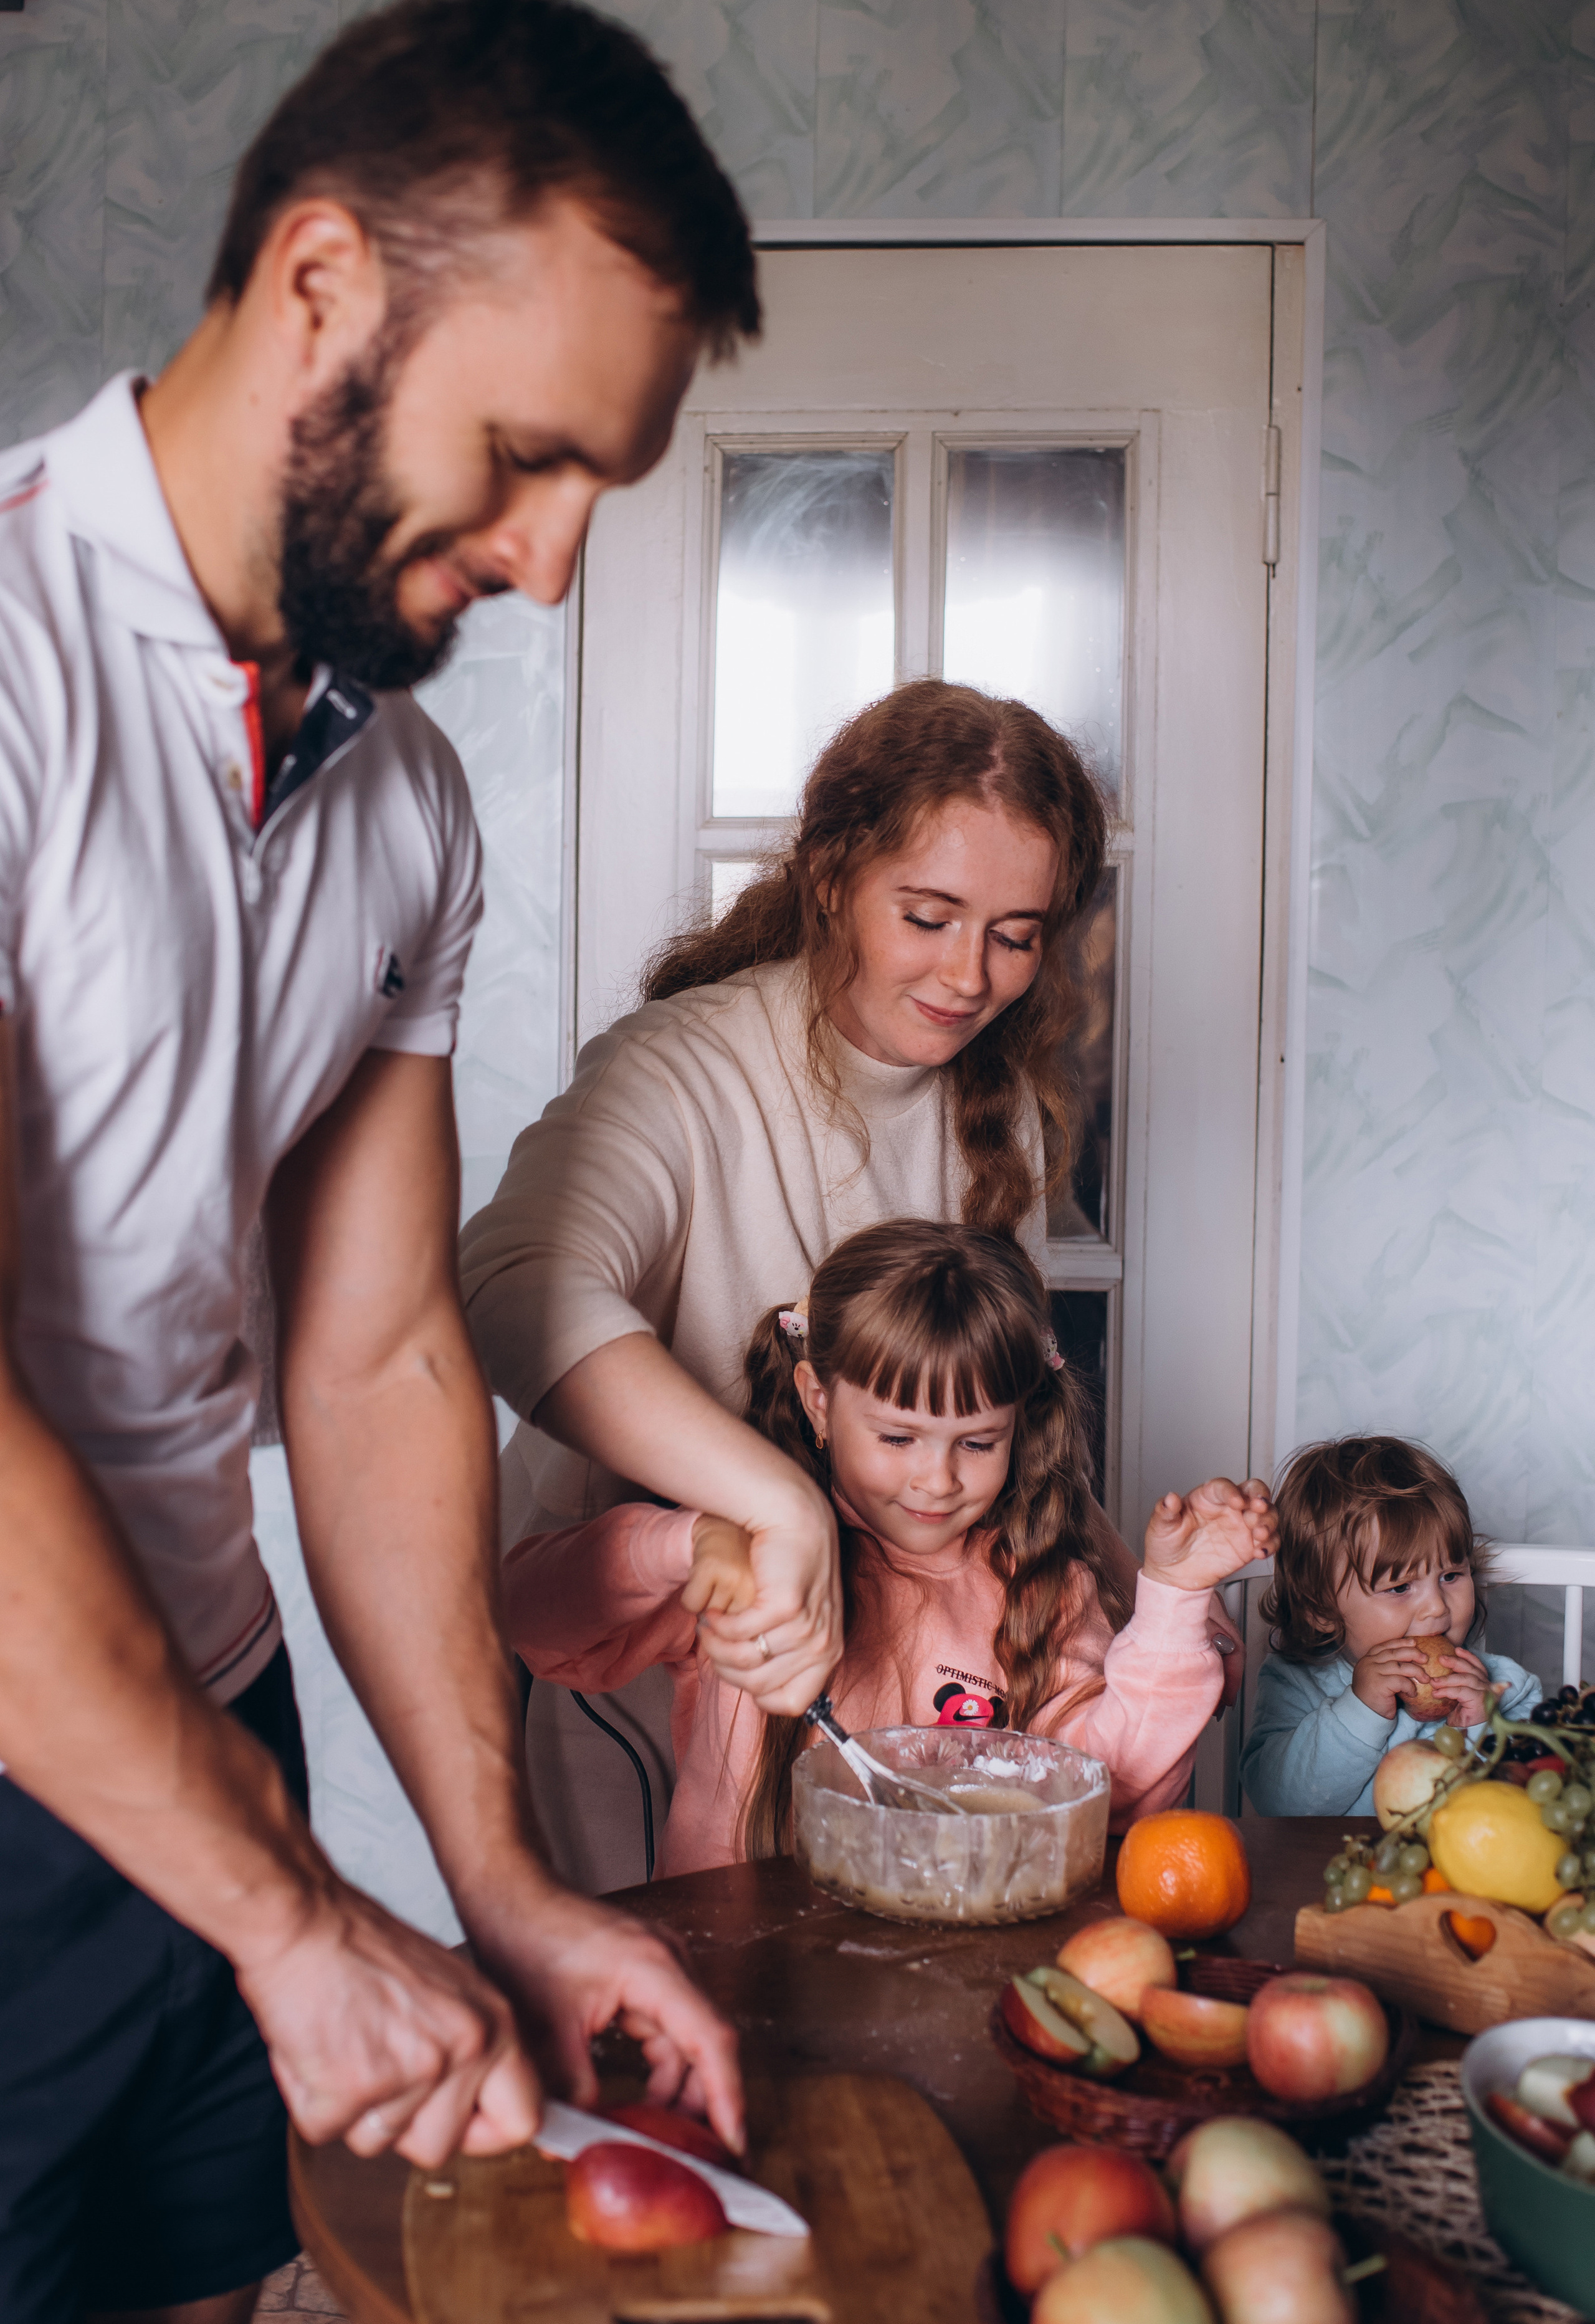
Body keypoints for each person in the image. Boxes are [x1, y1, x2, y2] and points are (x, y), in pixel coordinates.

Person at [0, 4, 757, 2316]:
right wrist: (295, 1925)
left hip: (202, 1734)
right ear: (321, 282)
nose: (545, 562)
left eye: (592, 492)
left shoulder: (401, 801)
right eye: (526, 456)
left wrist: (488, 1878)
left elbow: (380, 1360)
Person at [500, 1222, 1276, 1871]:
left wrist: (1173, 1597)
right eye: (898, 1436)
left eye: (976, 1443)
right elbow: (525, 1616)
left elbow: (1115, 1794)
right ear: (818, 1402)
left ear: (1019, 1427)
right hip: (743, 1980)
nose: (935, 1480)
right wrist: (689, 1542)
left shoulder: (1044, 1586)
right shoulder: (751, 1562)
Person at [1241, 1436, 1541, 1817]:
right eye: (1399, 1587)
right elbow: (1276, 1802)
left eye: (1451, 1575)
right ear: (1320, 1609)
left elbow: (1541, 1800)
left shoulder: (1503, 1684)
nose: (1436, 1607)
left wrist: (1481, 1728)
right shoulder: (1297, 1684)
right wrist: (1361, 1711)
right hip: (1343, 1871)